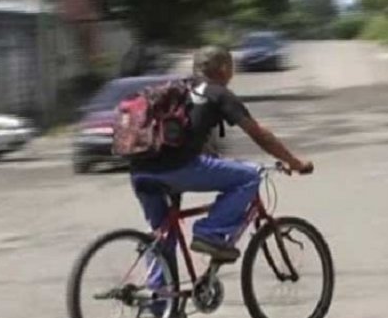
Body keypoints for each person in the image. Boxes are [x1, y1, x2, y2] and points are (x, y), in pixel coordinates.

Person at [131, 45, 313, 266]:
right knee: (248, 177)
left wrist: (215, 160)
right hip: (177, 169)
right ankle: (210, 233)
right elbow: (259, 134)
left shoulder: (179, 90)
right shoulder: (218, 93)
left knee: (163, 235)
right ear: (224, 67)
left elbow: (191, 136)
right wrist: (294, 162)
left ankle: (160, 298)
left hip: (141, 170)